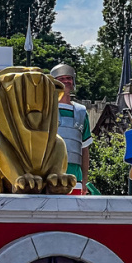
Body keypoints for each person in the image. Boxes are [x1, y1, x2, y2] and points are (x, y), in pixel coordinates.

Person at [49, 63, 92, 195]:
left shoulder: (81, 112)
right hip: (50, 175)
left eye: (69, 78)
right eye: (61, 79)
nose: (66, 81)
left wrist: (85, 180)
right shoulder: (47, 110)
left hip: (75, 177)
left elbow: (84, 149)